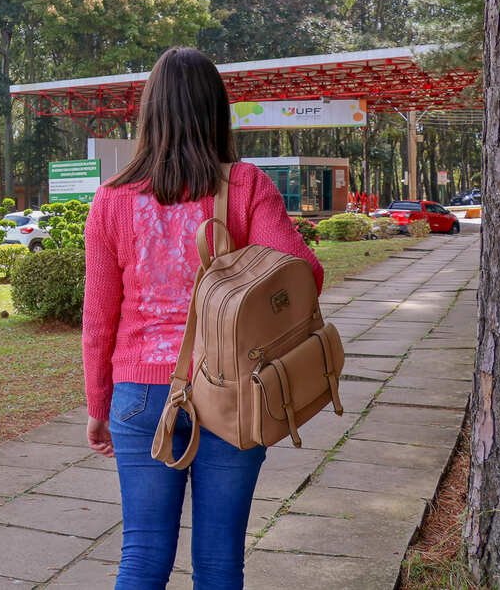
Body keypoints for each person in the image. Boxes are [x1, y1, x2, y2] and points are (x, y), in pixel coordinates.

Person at [82, 47, 323, 590]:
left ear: (150, 114)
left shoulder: (111, 200)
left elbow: (98, 320)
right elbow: (302, 275)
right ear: (217, 111)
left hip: (140, 396)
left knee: (141, 556)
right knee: (219, 561)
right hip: (233, 390)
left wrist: (99, 407)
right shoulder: (245, 186)